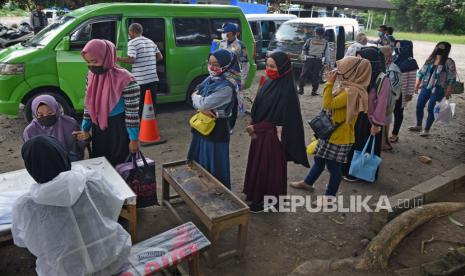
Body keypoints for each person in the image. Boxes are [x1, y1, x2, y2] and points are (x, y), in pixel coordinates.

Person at [12, 135, 131, 276]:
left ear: (30, 166)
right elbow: (113, 208)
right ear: (63, 155)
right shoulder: (92, 181)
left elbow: (24, 241)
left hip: (65, 272)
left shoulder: (26, 205)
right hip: (113, 259)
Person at [291, 57, 371, 207]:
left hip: (339, 137)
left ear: (352, 72)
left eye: (341, 69)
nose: (337, 71)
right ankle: (308, 183)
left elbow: (328, 104)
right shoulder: (348, 86)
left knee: (334, 168)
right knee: (320, 159)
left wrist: (329, 83)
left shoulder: (351, 92)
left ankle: (329, 198)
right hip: (331, 134)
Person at [243, 51, 309, 213]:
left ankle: (265, 202)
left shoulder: (287, 92)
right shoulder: (269, 82)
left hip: (272, 140)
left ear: (284, 68)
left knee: (268, 170)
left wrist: (256, 128)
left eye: (273, 67)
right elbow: (258, 106)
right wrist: (254, 125)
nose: (268, 69)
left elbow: (283, 123)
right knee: (258, 167)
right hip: (259, 135)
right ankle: (255, 195)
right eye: (267, 65)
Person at [74, 39, 140, 166]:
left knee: (120, 165)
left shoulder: (127, 80)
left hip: (119, 129)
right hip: (99, 128)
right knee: (101, 164)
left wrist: (134, 139)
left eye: (95, 61)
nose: (92, 66)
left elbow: (132, 113)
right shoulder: (91, 75)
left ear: (107, 57)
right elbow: (89, 104)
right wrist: (85, 128)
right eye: (88, 62)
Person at [187, 49, 237, 189]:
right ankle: (202, 187)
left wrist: (197, 99)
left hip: (217, 128)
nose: (212, 67)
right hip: (202, 124)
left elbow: (202, 102)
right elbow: (196, 92)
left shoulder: (227, 86)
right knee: (201, 157)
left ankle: (219, 192)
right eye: (210, 63)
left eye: (216, 64)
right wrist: (199, 101)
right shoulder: (211, 78)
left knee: (215, 162)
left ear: (226, 64)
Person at [343, 47, 387, 182]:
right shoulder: (361, 74)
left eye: (361, 59)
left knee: (364, 146)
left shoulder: (382, 79)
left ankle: (358, 174)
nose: (358, 61)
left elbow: (382, 103)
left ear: (370, 62)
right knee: (353, 144)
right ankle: (348, 170)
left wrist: (376, 124)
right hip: (357, 115)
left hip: (370, 119)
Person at [409, 42, 456, 137]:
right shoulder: (431, 59)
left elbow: (452, 78)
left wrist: (448, 92)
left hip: (439, 89)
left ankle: (426, 130)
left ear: (446, 49)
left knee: (431, 109)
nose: (439, 48)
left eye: (442, 47)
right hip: (426, 86)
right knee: (419, 105)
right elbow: (421, 73)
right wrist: (417, 85)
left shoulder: (449, 62)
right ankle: (418, 125)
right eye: (438, 46)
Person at [117, 23, 163, 117]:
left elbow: (131, 60)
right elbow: (160, 57)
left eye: (129, 32)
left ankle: (142, 126)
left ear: (132, 31)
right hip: (153, 78)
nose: (129, 34)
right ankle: (151, 124)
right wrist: (148, 61)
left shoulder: (132, 43)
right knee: (151, 104)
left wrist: (117, 58)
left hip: (140, 80)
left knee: (140, 105)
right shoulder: (150, 41)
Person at [23, 95, 86, 161]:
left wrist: (85, 139)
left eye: (50, 113)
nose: (46, 116)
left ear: (56, 110)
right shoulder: (30, 131)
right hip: (44, 164)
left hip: (69, 162)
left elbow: (79, 148)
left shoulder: (70, 123)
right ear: (35, 115)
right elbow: (30, 155)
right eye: (40, 115)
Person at [219, 22, 249, 132]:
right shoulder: (221, 43)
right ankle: (222, 123)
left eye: (226, 32)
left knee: (233, 101)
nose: (224, 34)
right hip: (221, 76)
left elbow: (246, 63)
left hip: (234, 77)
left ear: (233, 33)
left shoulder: (241, 45)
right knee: (222, 100)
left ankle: (230, 126)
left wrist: (243, 79)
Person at [390, 40, 419, 143]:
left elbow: (412, 79)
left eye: (399, 48)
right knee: (387, 112)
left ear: (406, 48)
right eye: (396, 47)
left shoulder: (411, 62)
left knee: (398, 113)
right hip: (390, 90)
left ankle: (395, 133)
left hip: (401, 93)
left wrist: (409, 93)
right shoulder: (394, 58)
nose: (397, 49)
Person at [379, 46, 402, 151]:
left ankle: (384, 144)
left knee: (385, 121)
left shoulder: (393, 69)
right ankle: (382, 142)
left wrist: (385, 94)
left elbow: (396, 86)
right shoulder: (383, 66)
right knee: (381, 121)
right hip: (382, 99)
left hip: (388, 100)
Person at [298, 27, 330, 96]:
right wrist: (327, 63)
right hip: (318, 61)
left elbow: (304, 49)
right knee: (316, 76)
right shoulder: (325, 42)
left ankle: (301, 90)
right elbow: (327, 54)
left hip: (309, 60)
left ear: (315, 33)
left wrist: (303, 58)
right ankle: (314, 92)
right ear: (323, 34)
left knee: (304, 75)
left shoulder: (309, 40)